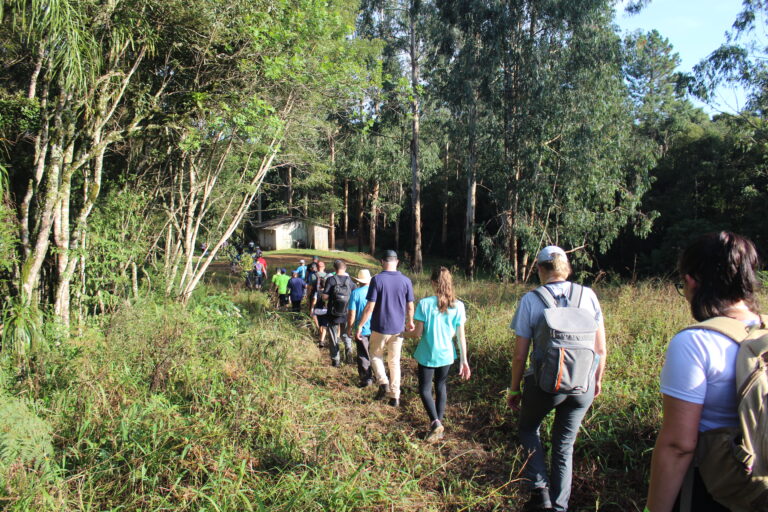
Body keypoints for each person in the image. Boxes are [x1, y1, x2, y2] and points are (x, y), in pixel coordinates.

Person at [646, 232, 763, 512]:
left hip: (717, 489)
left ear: (691, 281)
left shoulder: (695, 342)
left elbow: (678, 446)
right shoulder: (765, 333)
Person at [507, 245, 606, 512]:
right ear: (566, 267)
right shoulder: (588, 295)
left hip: (544, 384)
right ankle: (559, 507)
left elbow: (519, 355)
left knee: (528, 429)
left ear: (540, 269)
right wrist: (596, 380)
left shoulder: (532, 299)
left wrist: (514, 389)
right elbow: (600, 349)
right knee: (564, 445)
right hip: (582, 384)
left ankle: (540, 493)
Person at [401, 267, 470, 443]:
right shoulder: (458, 306)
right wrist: (464, 361)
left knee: (424, 389)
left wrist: (402, 333)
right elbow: (460, 336)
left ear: (433, 283)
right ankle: (438, 425)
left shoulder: (425, 303)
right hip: (447, 354)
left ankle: (435, 422)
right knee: (440, 387)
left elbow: (417, 333)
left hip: (427, 353)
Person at [356, 250, 415, 407]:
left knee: (375, 356)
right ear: (397, 261)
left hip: (380, 327)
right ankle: (395, 396)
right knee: (394, 361)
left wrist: (360, 325)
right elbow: (410, 305)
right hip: (398, 329)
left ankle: (383, 382)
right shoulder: (406, 281)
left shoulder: (377, 280)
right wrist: (410, 322)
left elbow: (370, 306)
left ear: (382, 261)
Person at [321, 260, 355, 367]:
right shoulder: (350, 281)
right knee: (346, 333)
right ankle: (348, 350)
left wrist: (325, 296)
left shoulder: (331, 280)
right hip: (347, 313)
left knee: (333, 336)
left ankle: (336, 360)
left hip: (333, 313)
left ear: (334, 269)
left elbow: (325, 297)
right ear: (345, 268)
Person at [347, 269, 374, 387]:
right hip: (376, 328)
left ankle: (366, 379)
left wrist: (349, 328)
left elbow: (352, 313)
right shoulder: (376, 292)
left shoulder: (355, 293)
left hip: (361, 329)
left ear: (358, 281)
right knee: (375, 354)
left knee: (363, 354)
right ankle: (379, 377)